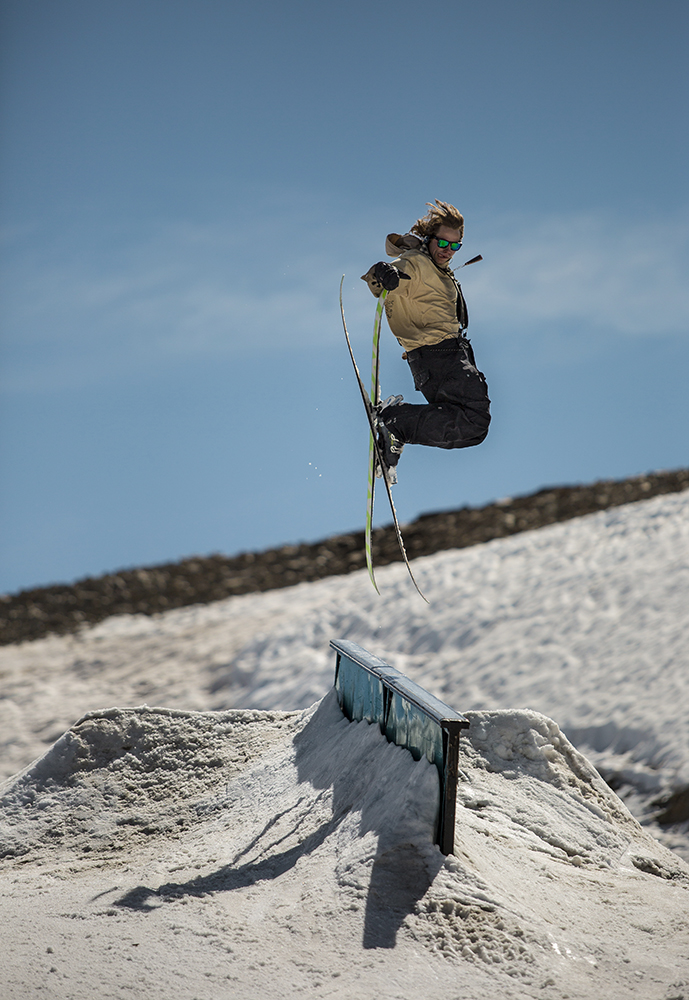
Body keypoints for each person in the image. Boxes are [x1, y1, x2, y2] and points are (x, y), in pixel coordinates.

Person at [361, 199, 490, 480]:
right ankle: (396, 423)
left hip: (437, 359)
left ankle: (394, 432)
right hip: (439, 355)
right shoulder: (417, 262)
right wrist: (383, 275)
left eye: (455, 246)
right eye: (443, 244)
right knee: (475, 422)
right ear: (429, 238)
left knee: (472, 429)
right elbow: (386, 275)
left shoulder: (436, 268)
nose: (448, 251)